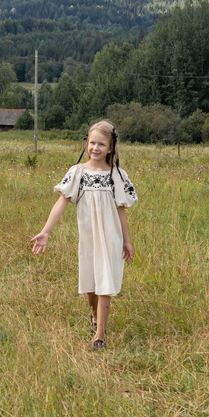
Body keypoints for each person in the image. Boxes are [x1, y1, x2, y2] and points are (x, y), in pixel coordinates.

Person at [31, 120, 137, 350]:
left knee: (105, 283)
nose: (95, 148)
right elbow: (61, 203)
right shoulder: (77, 172)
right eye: (92, 143)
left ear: (110, 148)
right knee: (90, 283)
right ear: (87, 143)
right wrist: (45, 232)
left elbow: (121, 210)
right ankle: (94, 316)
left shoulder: (117, 175)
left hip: (111, 238)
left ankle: (100, 336)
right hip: (88, 238)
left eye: (101, 144)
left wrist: (126, 241)